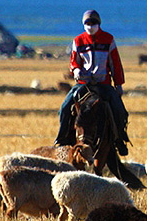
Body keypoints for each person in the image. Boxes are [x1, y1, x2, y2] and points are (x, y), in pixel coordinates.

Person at [55, 10, 130, 155]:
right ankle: (61, 138)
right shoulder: (78, 41)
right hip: (83, 83)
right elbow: (74, 62)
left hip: (104, 83)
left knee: (120, 110)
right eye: (87, 23)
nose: (90, 26)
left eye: (93, 23)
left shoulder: (108, 39)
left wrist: (119, 84)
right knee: (64, 108)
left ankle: (120, 139)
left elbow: (115, 63)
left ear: (99, 24)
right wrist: (76, 70)